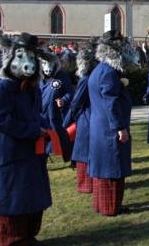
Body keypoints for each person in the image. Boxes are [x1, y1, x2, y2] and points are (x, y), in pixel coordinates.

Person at [0, 32, 52, 245]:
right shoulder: (2, 89)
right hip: (13, 155)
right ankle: (13, 239)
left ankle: (27, 236)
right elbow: (0, 121)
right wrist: (33, 130)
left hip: (32, 155)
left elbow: (37, 114)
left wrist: (43, 127)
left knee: (31, 198)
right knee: (14, 200)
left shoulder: (31, 89)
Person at [88, 30, 132, 216]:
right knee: (112, 170)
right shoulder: (107, 73)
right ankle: (111, 207)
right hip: (109, 129)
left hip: (101, 127)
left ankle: (102, 205)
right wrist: (120, 127)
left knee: (104, 171)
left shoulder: (99, 70)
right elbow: (110, 103)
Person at [64, 40, 98, 194]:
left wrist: (73, 117)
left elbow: (76, 102)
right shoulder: (94, 76)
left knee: (84, 153)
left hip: (86, 119)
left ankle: (86, 185)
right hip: (92, 117)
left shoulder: (85, 79)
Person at [39, 52, 74, 162]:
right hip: (41, 115)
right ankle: (41, 159)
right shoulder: (38, 77)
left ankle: (71, 157)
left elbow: (70, 93)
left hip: (55, 115)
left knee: (61, 137)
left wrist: (63, 100)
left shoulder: (62, 76)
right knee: (41, 138)